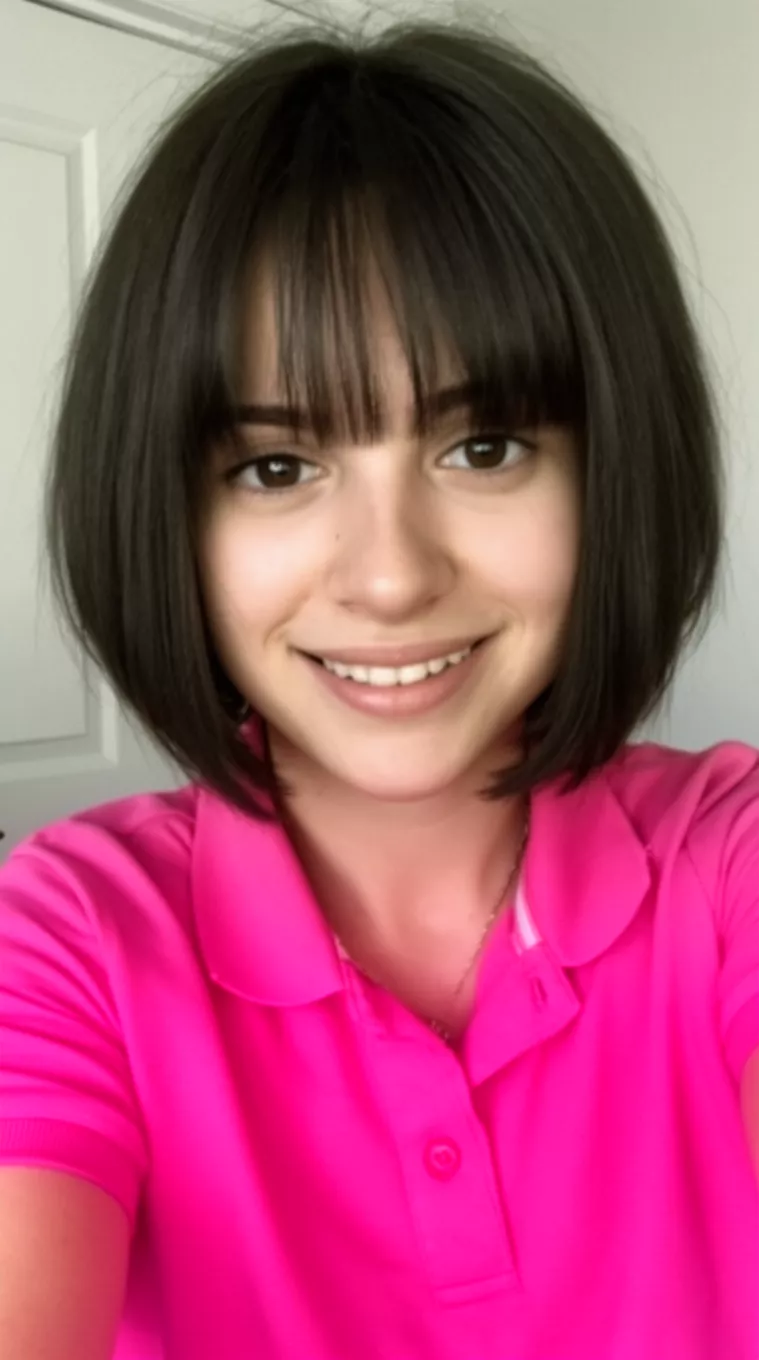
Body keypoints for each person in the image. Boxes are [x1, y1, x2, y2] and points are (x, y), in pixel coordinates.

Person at [1, 17, 757, 1360]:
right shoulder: (65, 941)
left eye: (483, 443)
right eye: (278, 468)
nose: (392, 577)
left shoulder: (728, 862)